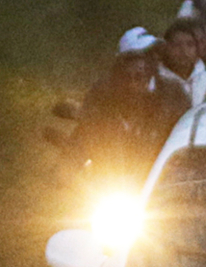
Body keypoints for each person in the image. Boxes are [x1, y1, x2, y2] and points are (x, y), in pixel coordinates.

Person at [62, 31, 191, 186]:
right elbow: (88, 132)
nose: (149, 60)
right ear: (122, 63)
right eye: (140, 55)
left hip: (159, 185)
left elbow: (184, 139)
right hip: (110, 185)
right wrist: (66, 169)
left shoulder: (174, 93)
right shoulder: (102, 93)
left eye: (152, 54)